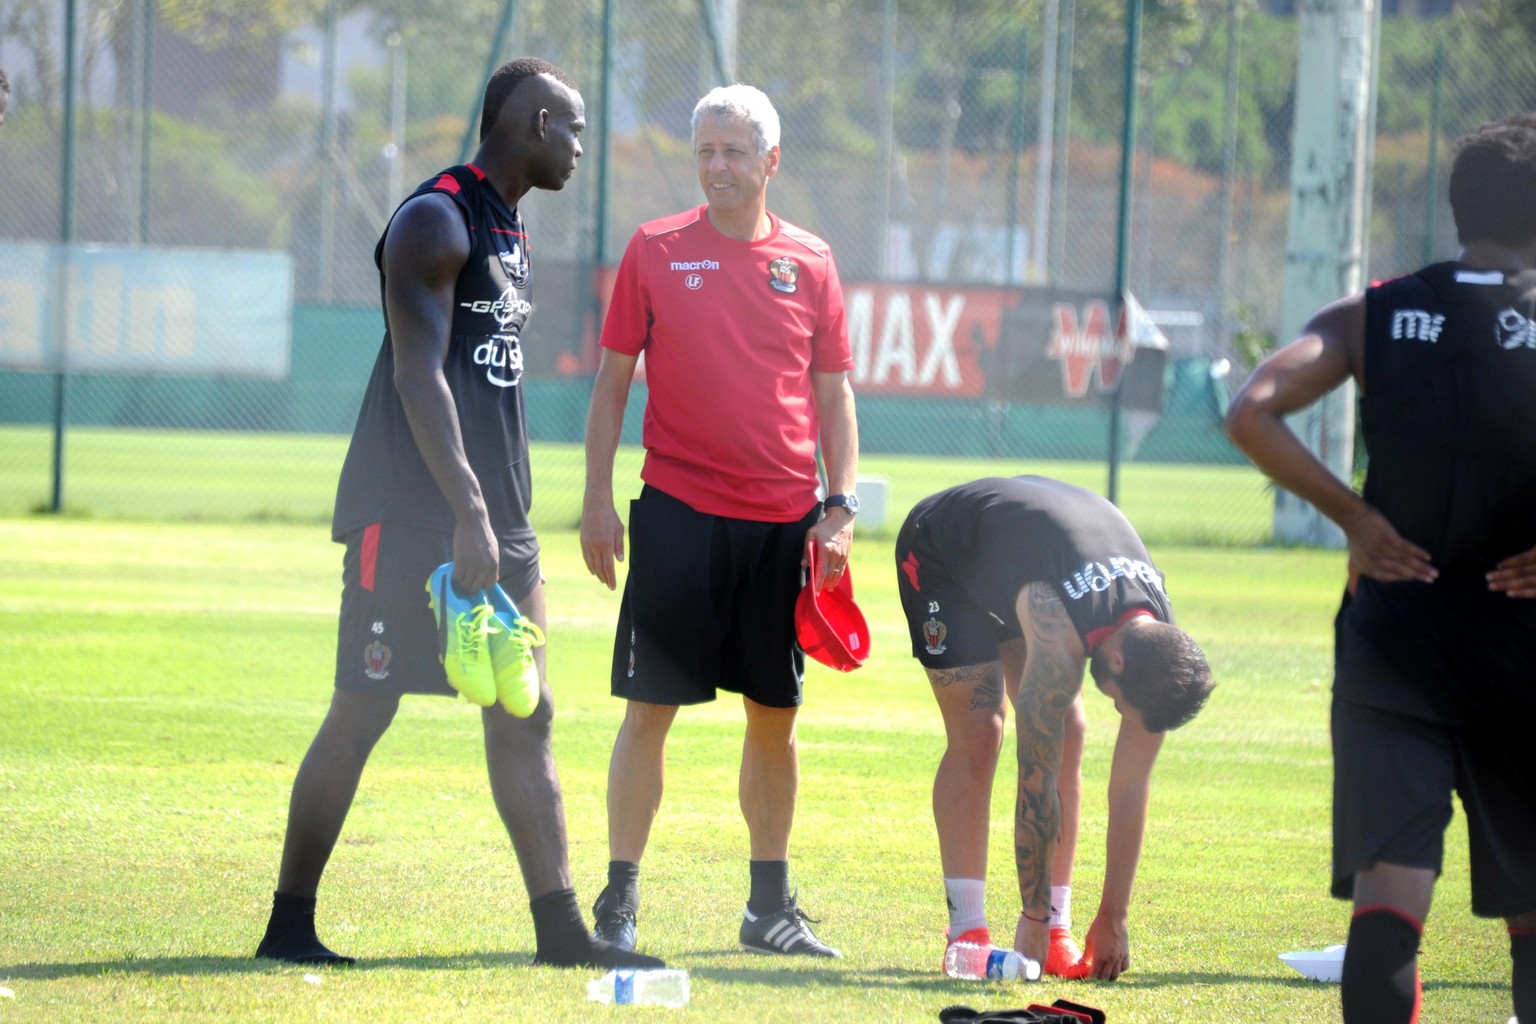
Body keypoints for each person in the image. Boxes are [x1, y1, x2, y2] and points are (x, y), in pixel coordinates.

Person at [255, 57, 662, 971]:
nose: (582, 147)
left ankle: (561, 934)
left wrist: (506, 524)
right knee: (364, 706)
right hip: (411, 515)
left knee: (527, 711)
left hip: (498, 521)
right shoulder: (435, 219)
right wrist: (470, 513)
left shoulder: (510, 227)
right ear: (531, 123)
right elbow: (417, 374)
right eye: (574, 128)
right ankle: (289, 926)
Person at [1225, 113, 1536, 1024]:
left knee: (1390, 903)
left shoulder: (1375, 311)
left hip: (1394, 641)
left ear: (1455, 206)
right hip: (1521, 645)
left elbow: (1253, 411)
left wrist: (1357, 522)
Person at [580, 83, 858, 958]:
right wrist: (595, 496)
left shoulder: (810, 261)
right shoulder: (657, 248)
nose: (718, 166)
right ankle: (618, 905)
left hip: (782, 525)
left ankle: (768, 910)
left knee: (775, 717)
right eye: (705, 150)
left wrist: (838, 507)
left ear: (771, 161)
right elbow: (613, 381)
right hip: (678, 518)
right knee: (649, 711)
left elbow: (834, 392)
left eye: (735, 151)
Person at [894, 474, 1213, 974]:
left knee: (1073, 730)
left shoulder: (1158, 644)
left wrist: (1113, 917)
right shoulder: (1059, 626)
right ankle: (966, 935)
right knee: (983, 731)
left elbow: (1130, 788)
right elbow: (1036, 779)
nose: (1118, 713)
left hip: (1019, 559)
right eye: (1120, 707)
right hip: (944, 552)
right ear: (1119, 663)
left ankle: (1063, 929)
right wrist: (1032, 915)